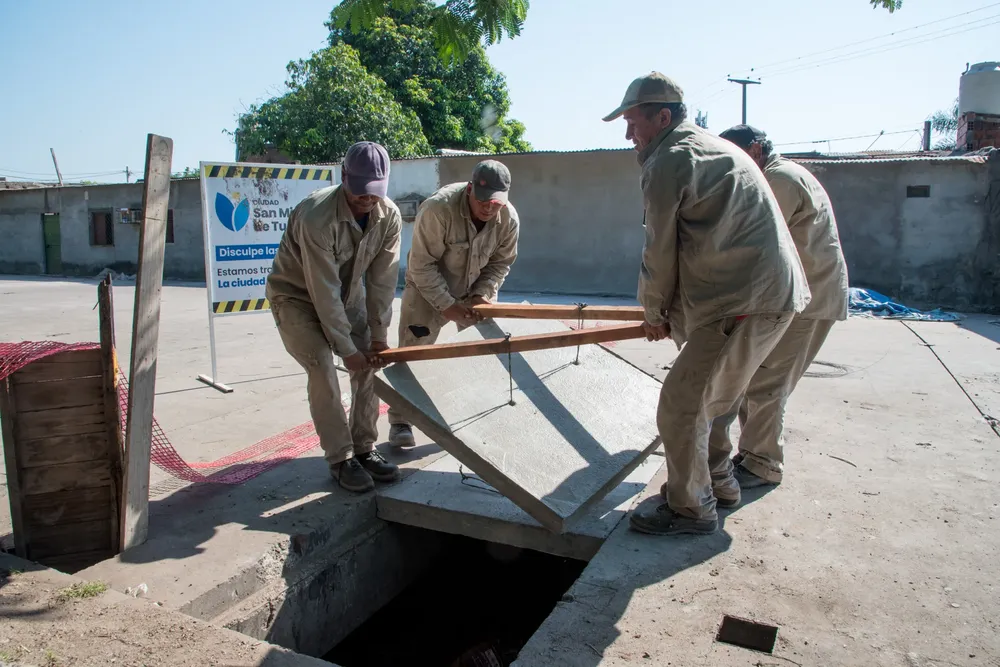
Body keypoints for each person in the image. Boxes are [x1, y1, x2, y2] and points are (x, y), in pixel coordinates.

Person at [602, 72, 811, 536]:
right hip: (767, 296)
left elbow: (660, 248)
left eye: (634, 123)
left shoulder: (670, 159)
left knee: (681, 405)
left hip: (743, 301)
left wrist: (654, 313)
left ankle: (690, 509)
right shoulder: (713, 147)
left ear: (663, 117)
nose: (628, 134)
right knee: (714, 400)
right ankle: (719, 483)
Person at [714, 124, 849, 488]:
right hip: (796, 295)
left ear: (755, 149)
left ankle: (761, 464)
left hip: (808, 300)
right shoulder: (777, 176)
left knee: (767, 381)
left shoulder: (780, 181)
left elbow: (759, 244)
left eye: (737, 155)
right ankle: (754, 454)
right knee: (756, 375)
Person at [265, 141, 402, 493]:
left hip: (347, 294)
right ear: (343, 177)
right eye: (360, 192)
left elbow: (383, 281)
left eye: (374, 193)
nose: (367, 200)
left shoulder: (389, 217)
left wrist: (377, 335)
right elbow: (322, 291)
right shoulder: (316, 216)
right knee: (323, 364)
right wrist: (347, 349)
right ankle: (340, 458)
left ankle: (364, 448)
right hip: (297, 298)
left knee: (371, 363)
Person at [386, 160, 519, 448]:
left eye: (496, 203)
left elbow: (500, 263)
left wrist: (484, 295)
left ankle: (476, 415)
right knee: (413, 348)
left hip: (474, 289)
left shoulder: (509, 219)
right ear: (470, 189)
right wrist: (447, 305)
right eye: (483, 201)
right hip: (426, 287)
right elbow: (421, 265)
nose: (488, 208)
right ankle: (401, 420)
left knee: (484, 351)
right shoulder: (438, 209)